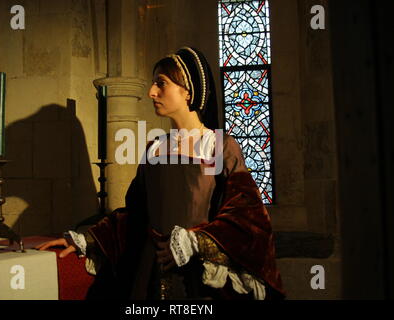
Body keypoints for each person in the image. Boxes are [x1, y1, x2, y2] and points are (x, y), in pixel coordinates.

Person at [36, 47, 285, 300]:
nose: (151, 92)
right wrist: (87, 239)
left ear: (187, 91)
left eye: (161, 83)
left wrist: (196, 242)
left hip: (197, 279)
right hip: (149, 274)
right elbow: (134, 214)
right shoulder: (154, 148)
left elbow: (247, 218)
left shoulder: (217, 146)